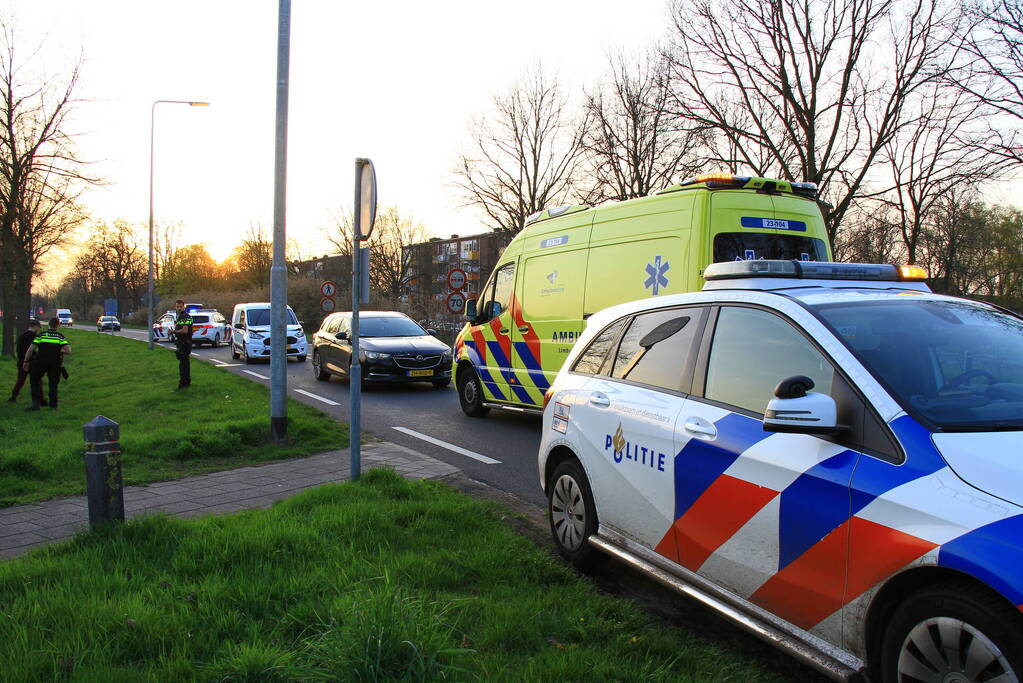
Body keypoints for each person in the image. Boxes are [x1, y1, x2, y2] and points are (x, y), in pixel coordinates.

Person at [22, 318, 71, 411]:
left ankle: (35, 404)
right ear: (58, 325)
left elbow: (30, 350)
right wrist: (60, 350)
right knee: (53, 384)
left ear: (48, 324)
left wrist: (26, 361)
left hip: (41, 362)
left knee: (34, 380)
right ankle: (53, 406)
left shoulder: (41, 335)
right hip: (55, 363)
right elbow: (68, 351)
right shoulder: (60, 336)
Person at [7, 318, 41, 403]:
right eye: (38, 327)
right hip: (30, 361)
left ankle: (13, 397)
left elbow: (18, 349)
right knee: (37, 380)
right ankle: (40, 399)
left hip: (21, 360)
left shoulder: (22, 335)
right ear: (35, 326)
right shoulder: (33, 336)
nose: (39, 329)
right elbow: (31, 349)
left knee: (20, 380)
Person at [172, 299, 194, 390]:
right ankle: (186, 383)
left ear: (184, 306)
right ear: (175, 307)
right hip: (183, 342)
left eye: (180, 306)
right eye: (177, 307)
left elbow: (185, 331)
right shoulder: (180, 316)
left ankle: (183, 384)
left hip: (184, 343)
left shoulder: (185, 317)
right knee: (185, 363)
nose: (179, 308)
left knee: (183, 365)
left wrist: (173, 331)